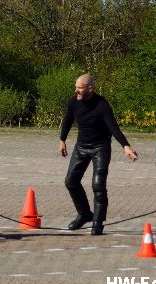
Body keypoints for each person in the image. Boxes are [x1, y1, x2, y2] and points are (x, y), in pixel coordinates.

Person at [58, 74, 138, 235]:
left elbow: (114, 127)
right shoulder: (73, 101)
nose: (76, 90)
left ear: (90, 89)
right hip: (81, 146)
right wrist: (62, 140)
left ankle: (98, 222)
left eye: (79, 88)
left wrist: (126, 146)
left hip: (100, 148)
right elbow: (67, 119)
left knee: (98, 185)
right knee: (70, 181)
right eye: (76, 87)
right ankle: (84, 214)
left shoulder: (102, 105)